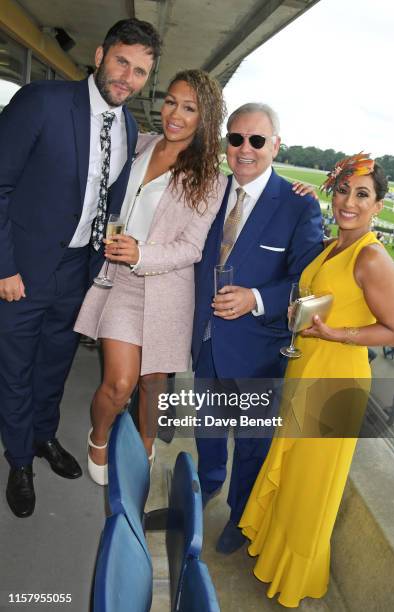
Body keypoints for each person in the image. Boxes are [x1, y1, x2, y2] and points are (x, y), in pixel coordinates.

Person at [0, 18, 161, 518]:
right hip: (22, 270)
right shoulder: (42, 102)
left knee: (54, 363)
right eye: (121, 62)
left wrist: (105, 265)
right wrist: (4, 267)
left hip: (77, 271)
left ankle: (44, 437)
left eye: (139, 72)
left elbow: (108, 204)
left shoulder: (129, 125)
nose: (127, 78)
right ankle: (20, 460)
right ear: (99, 55)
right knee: (15, 369)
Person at [240, 154, 394, 607]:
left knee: (311, 487)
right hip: (307, 367)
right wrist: (301, 314)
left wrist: (337, 334)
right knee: (292, 475)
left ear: (378, 206)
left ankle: (294, 576)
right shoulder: (334, 244)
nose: (349, 200)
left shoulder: (371, 257)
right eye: (344, 189)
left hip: (337, 379)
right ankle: (273, 556)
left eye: (362, 194)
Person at [74, 69, 228, 485]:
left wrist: (143, 253)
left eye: (189, 108)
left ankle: (143, 446)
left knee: (154, 382)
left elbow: (191, 247)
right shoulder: (139, 145)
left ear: (205, 118)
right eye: (171, 102)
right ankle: (100, 437)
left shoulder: (210, 180)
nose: (175, 114)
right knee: (120, 383)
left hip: (168, 293)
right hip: (122, 284)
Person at [191, 102, 324, 553]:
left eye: (257, 140)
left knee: (250, 443)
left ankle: (240, 514)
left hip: (258, 351)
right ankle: (207, 484)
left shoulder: (297, 206)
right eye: (236, 138)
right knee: (207, 428)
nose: (244, 149)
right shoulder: (210, 193)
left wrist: (257, 299)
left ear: (275, 146)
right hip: (205, 341)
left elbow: (307, 282)